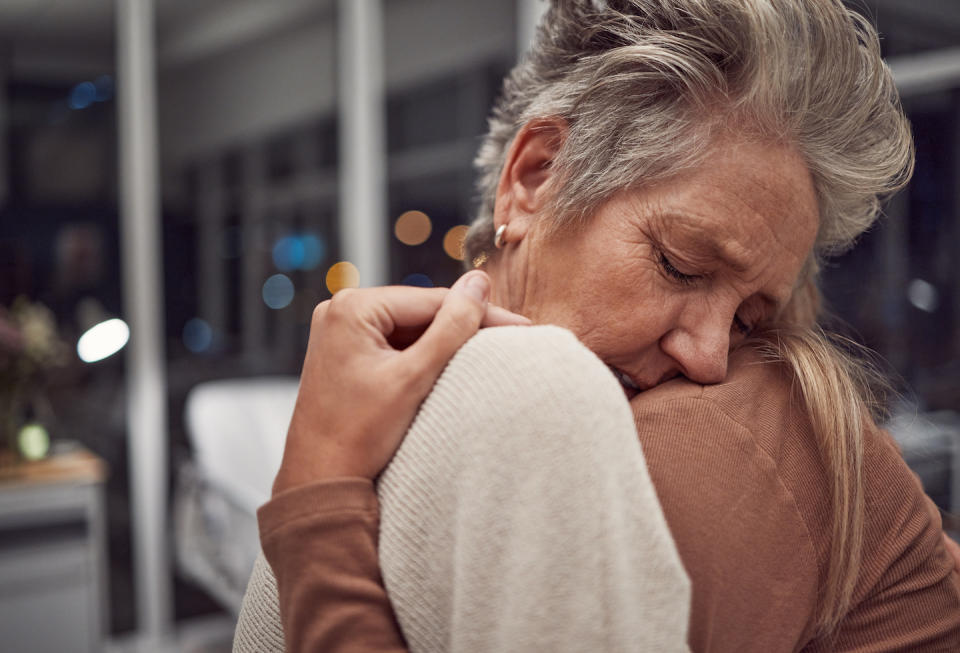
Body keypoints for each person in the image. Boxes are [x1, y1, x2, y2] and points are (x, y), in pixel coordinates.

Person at [235, 1, 960, 651]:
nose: (711, 356)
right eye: (679, 264)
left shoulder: (696, 427)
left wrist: (316, 505)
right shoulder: (479, 410)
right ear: (536, 175)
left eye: (748, 317)